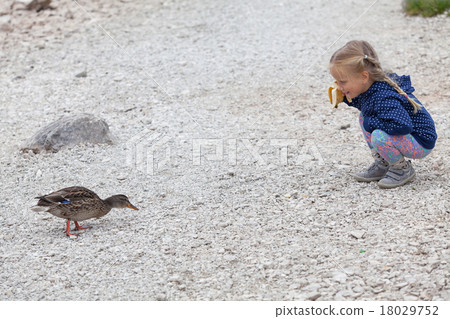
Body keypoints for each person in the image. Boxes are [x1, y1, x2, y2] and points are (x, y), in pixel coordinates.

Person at [329, 40, 437, 189]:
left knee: (378, 135)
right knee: (364, 117)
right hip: (409, 136)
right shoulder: (371, 85)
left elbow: (402, 126)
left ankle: (401, 169)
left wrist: (370, 124)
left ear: (364, 76)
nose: (339, 86)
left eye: (343, 82)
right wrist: (346, 98)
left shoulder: (383, 96)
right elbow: (365, 104)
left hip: (420, 142)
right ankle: (384, 163)